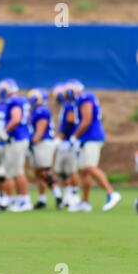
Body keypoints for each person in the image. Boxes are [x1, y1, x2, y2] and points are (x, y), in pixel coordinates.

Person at [64, 80, 121, 212]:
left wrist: (74, 136)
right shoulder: (79, 100)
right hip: (86, 139)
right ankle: (85, 202)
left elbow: (87, 119)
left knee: (90, 167)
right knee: (83, 170)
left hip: (92, 137)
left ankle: (111, 193)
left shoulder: (85, 97)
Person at [0, 79, 33, 212]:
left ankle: (25, 199)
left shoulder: (14, 101)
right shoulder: (22, 100)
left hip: (17, 138)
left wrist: (4, 131)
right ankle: (20, 199)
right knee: (14, 171)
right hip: (21, 137)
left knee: (17, 171)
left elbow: (16, 119)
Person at [27, 88, 63, 210]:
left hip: (43, 143)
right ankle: (42, 199)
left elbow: (40, 130)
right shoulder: (36, 110)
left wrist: (32, 142)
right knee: (38, 173)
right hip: (39, 143)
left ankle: (59, 196)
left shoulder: (41, 111)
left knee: (45, 171)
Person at [52, 82, 81, 209]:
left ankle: (74, 194)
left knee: (71, 170)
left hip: (69, 142)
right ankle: (69, 192)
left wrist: (61, 137)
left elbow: (70, 122)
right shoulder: (66, 106)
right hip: (65, 142)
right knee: (61, 171)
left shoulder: (70, 106)